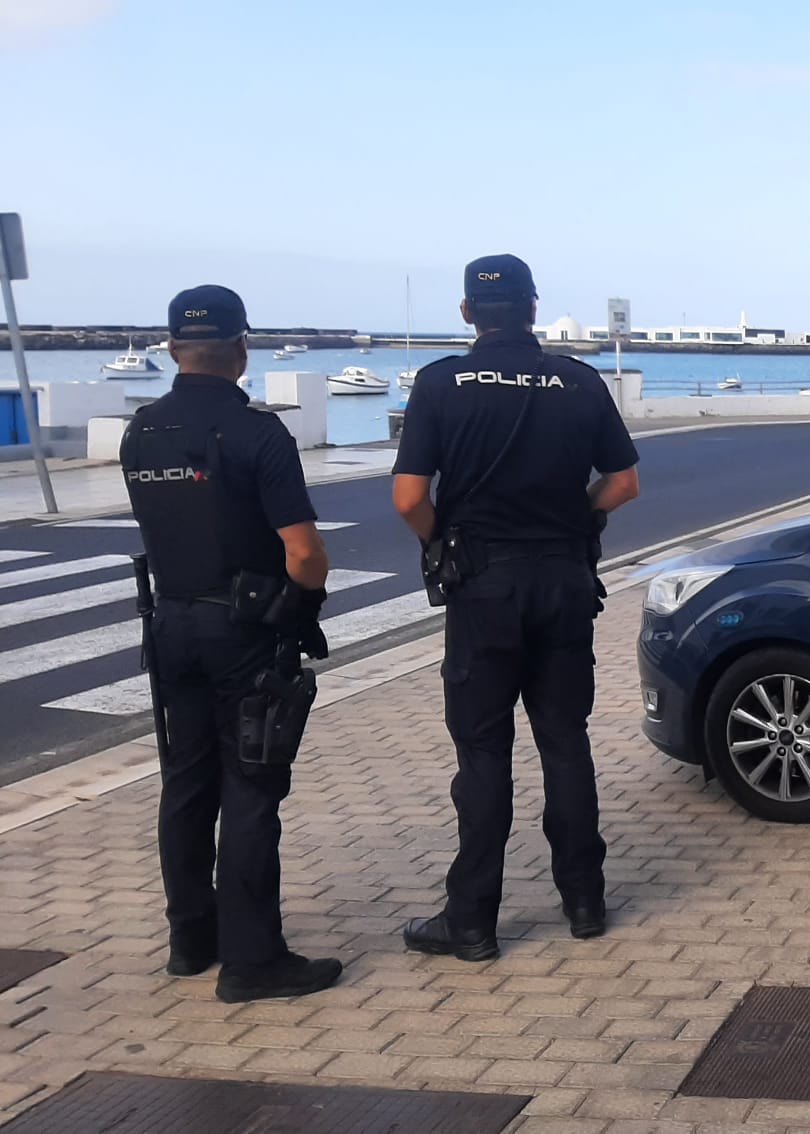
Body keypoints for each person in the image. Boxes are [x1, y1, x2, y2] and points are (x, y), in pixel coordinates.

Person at [393, 254, 640, 961]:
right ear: (534, 310)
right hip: (563, 582)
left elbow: (409, 498)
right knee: (565, 742)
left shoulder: (441, 383)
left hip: (484, 587)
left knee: (483, 754)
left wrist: (443, 543)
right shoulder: (580, 380)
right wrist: (578, 522)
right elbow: (623, 482)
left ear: (468, 313)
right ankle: (585, 902)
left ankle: (471, 922)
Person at [121, 285, 341, 1003]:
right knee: (251, 789)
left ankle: (192, 939)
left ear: (172, 348)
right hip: (244, 631)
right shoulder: (257, 433)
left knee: (186, 783)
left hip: (171, 627)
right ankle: (254, 962)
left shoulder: (141, 430)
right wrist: (301, 604)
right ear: (242, 349)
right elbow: (303, 551)